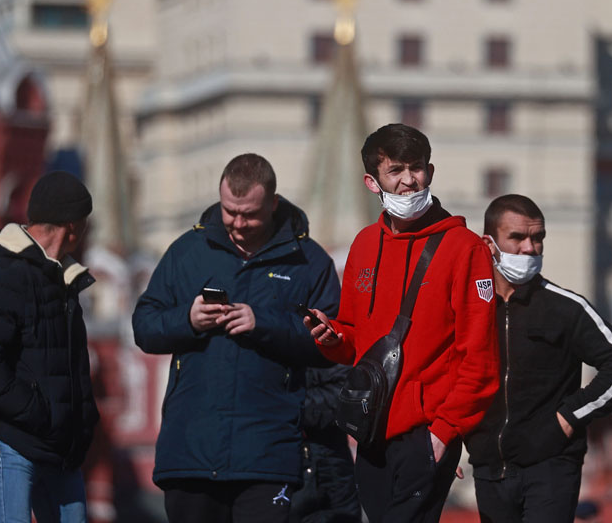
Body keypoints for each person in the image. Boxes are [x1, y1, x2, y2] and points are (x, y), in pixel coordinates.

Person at [307, 123, 500, 523]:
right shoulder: (363, 244)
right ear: (372, 181)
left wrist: (443, 434)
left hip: (425, 434)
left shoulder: (464, 249)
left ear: (430, 170)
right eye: (395, 170)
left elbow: (479, 357)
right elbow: (356, 341)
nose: (409, 181)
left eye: (417, 168)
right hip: (370, 429)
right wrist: (332, 338)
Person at [133, 153, 340, 523]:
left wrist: (264, 323)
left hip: (267, 455)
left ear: (274, 204)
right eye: (230, 211)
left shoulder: (309, 261)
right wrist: (189, 319)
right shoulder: (187, 252)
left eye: (250, 214)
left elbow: (334, 344)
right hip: (190, 451)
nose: (238, 223)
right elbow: (144, 326)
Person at [465, 194, 612, 523]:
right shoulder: (469, 306)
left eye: (538, 238)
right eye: (517, 238)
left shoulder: (566, 307)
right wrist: (453, 436)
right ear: (489, 243)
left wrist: (569, 418)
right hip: (488, 466)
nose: (530, 248)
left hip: (551, 465)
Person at [0, 170, 99, 523]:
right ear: (73, 227)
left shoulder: (63, 278)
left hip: (61, 448)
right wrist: (39, 413)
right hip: (12, 443)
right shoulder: (2, 273)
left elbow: (74, 366)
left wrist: (82, 426)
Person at [289, 364, 362, 523]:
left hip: (332, 468)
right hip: (282, 471)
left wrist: (287, 406)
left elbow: (349, 392)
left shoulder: (325, 347)